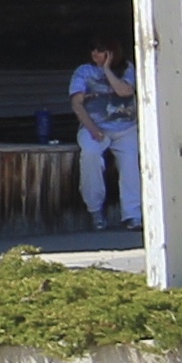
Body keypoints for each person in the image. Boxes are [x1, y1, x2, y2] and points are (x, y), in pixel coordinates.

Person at [67, 40, 141, 229]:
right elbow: (77, 104)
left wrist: (107, 69)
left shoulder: (127, 69)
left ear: (112, 52)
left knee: (130, 165)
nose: (95, 53)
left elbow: (125, 91)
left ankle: (133, 214)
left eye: (101, 50)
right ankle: (95, 210)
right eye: (93, 49)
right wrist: (93, 129)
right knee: (90, 156)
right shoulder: (83, 72)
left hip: (125, 128)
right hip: (94, 127)